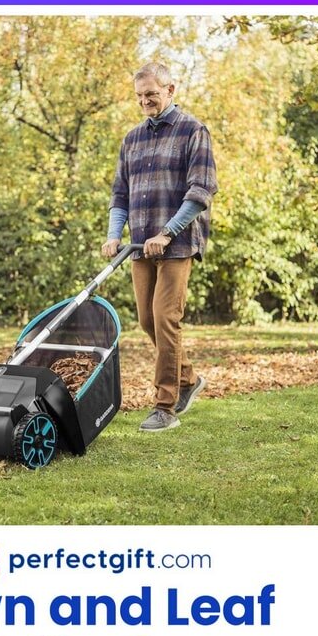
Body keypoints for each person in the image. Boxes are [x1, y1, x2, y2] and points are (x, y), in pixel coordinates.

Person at [102, 62, 218, 432]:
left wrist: (167, 232)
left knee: (166, 318)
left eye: (151, 93)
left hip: (178, 243)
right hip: (140, 246)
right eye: (139, 96)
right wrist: (113, 234)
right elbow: (120, 194)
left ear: (171, 90)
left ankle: (165, 406)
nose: (145, 101)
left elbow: (200, 192)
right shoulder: (132, 139)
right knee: (147, 320)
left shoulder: (193, 131)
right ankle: (187, 377)